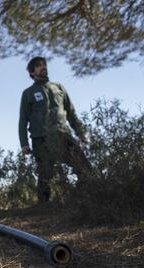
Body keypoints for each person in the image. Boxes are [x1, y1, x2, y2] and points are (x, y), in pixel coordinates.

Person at [18, 56, 90, 202]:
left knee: (84, 167)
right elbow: (23, 120)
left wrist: (81, 133)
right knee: (45, 175)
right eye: (38, 65)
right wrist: (24, 143)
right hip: (41, 138)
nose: (43, 67)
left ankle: (79, 199)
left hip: (63, 135)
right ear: (32, 72)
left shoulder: (59, 87)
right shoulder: (28, 93)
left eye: (44, 64)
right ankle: (43, 208)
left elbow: (71, 113)